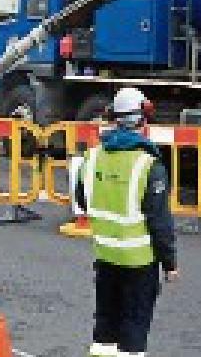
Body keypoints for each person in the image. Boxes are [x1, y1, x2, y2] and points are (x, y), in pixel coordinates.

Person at [76, 87, 178, 357]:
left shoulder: (93, 156)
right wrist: (170, 263)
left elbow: (83, 199)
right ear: (142, 120)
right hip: (139, 262)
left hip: (105, 256)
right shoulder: (147, 164)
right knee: (133, 329)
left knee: (105, 327)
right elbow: (159, 221)